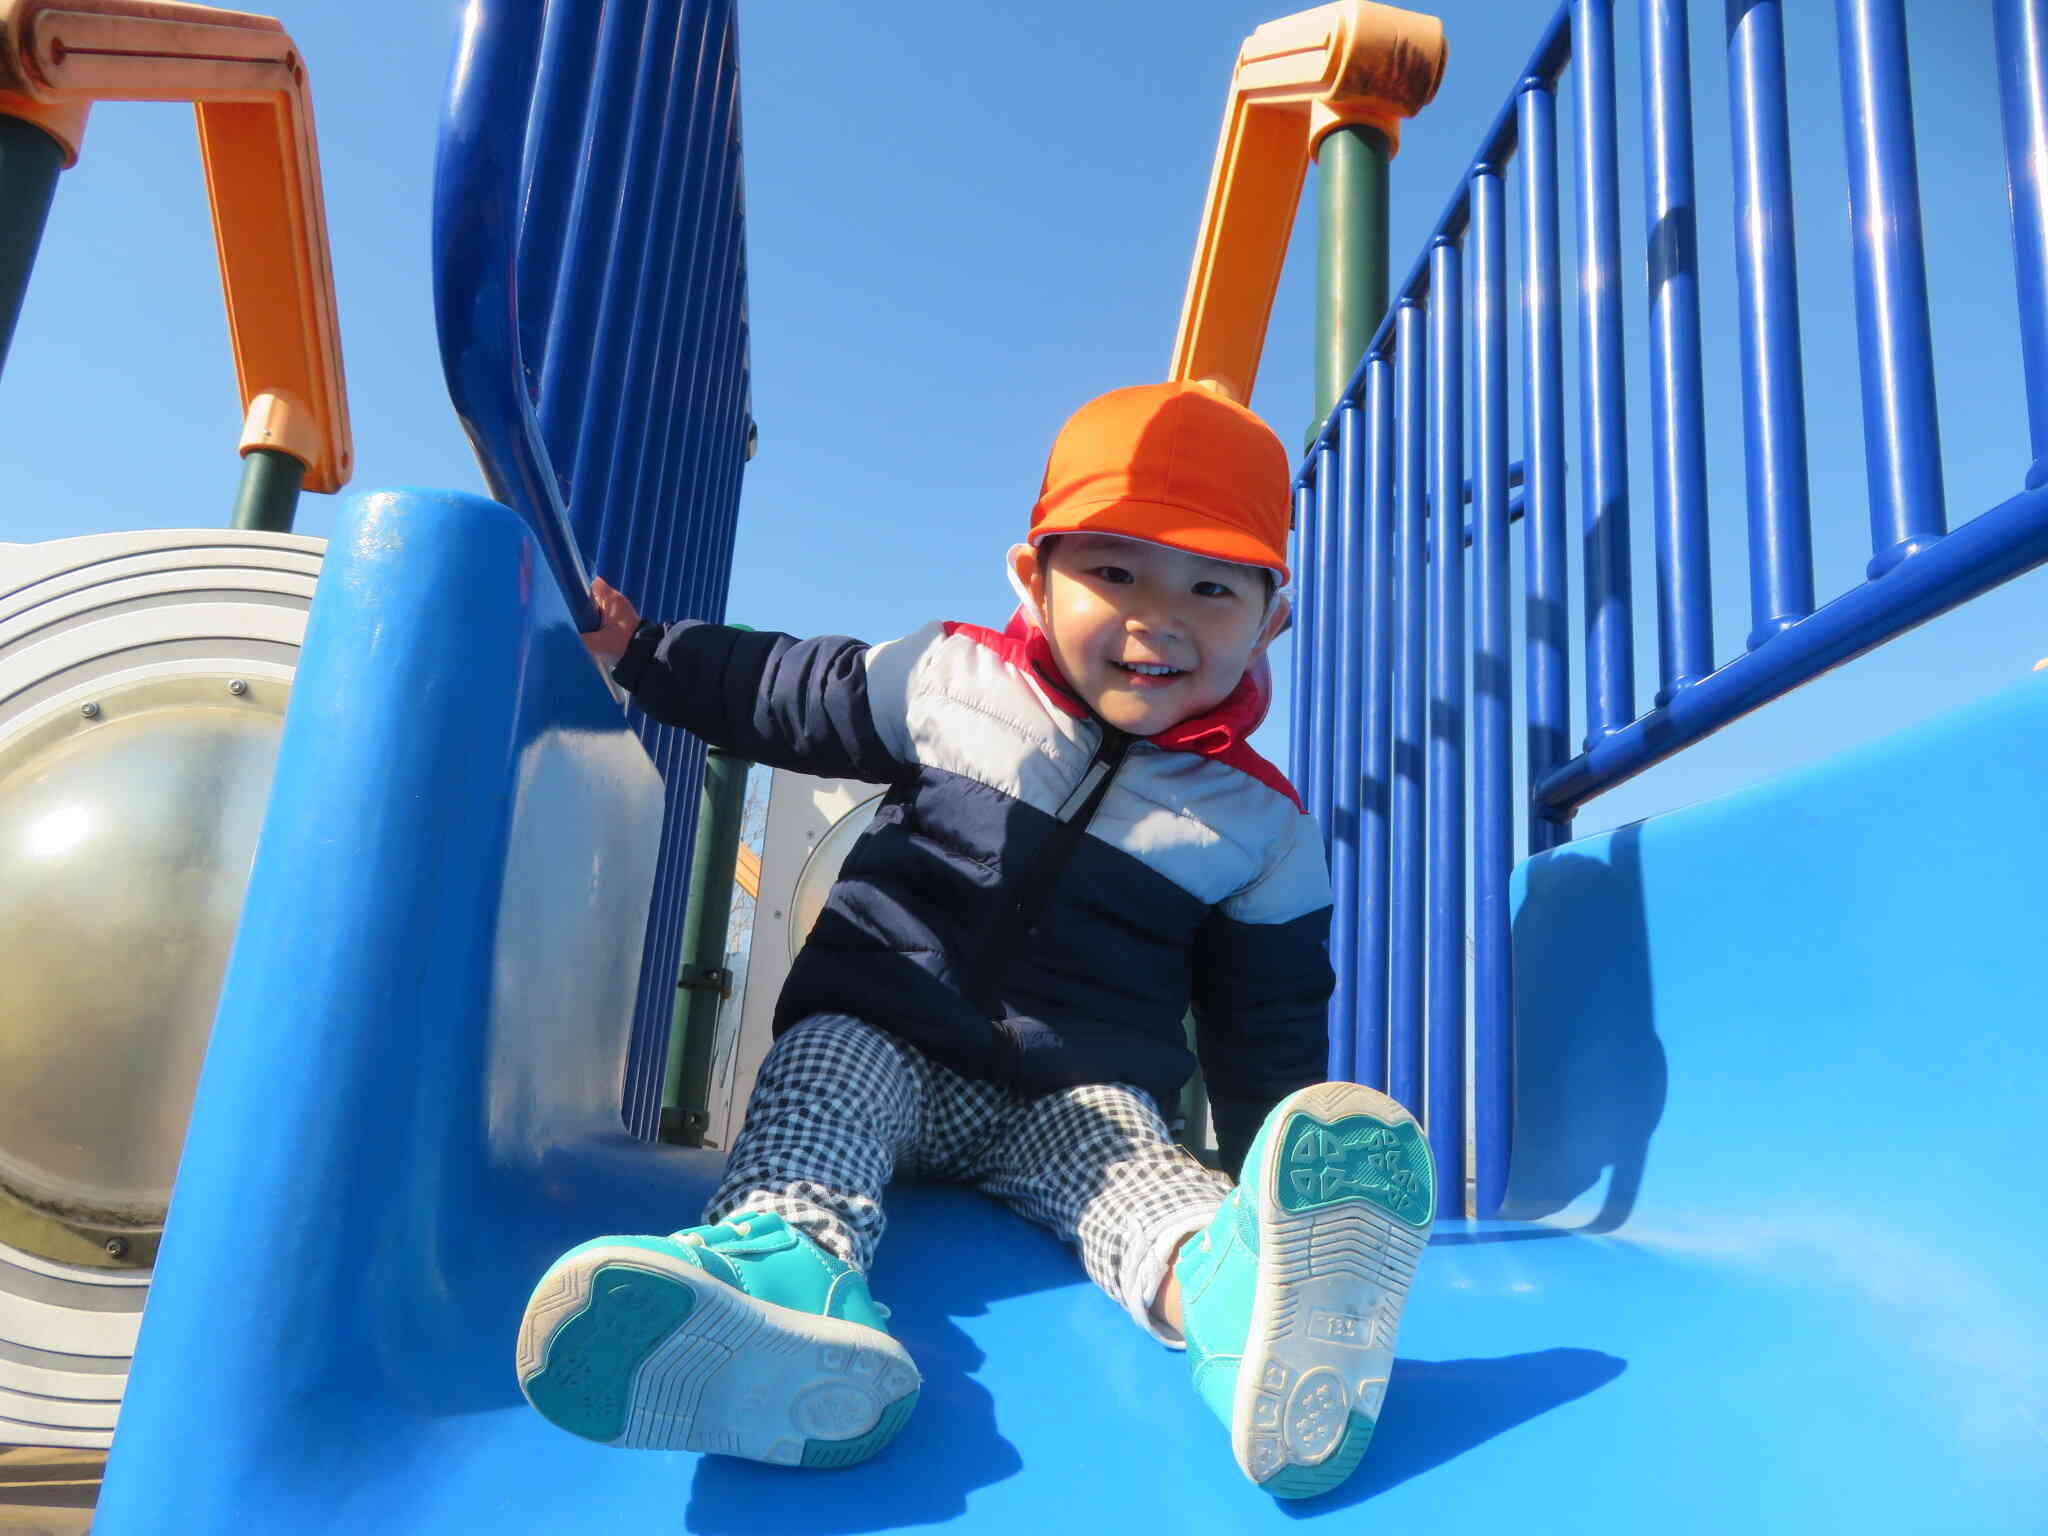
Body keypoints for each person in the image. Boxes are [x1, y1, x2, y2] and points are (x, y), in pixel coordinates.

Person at [515, 382, 1435, 1499]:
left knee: (1137, 1183)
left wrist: (1253, 1166)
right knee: (822, 1093)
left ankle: (1245, 1303)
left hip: (1070, 1091)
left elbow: (1265, 1016)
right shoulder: (954, 682)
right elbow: (788, 692)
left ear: (1268, 621)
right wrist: (647, 655)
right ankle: (781, 1287)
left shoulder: (1261, 829)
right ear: (1030, 579)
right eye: (1112, 572)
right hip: (888, 1033)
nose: (1159, 616)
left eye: (1209, 587)